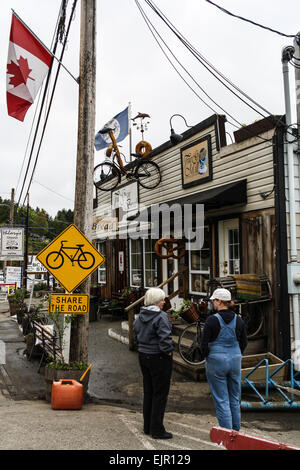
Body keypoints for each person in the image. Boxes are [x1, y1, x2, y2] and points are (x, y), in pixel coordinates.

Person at [201, 288, 248, 431]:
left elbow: (203, 344)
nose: (213, 303)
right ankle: (236, 431)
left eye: (214, 300)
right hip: (235, 359)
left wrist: (207, 356)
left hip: (216, 361)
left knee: (222, 399)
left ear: (220, 302)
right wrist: (235, 353)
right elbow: (244, 342)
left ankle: (227, 434)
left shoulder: (211, 320)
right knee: (234, 398)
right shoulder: (239, 320)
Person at [133, 287, 174, 439]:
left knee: (148, 391)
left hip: (143, 355)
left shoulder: (140, 315)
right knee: (160, 394)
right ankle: (157, 429)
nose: (164, 301)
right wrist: (168, 351)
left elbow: (135, 333)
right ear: (157, 301)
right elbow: (165, 338)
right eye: (162, 299)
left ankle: (147, 426)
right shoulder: (161, 316)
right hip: (159, 357)